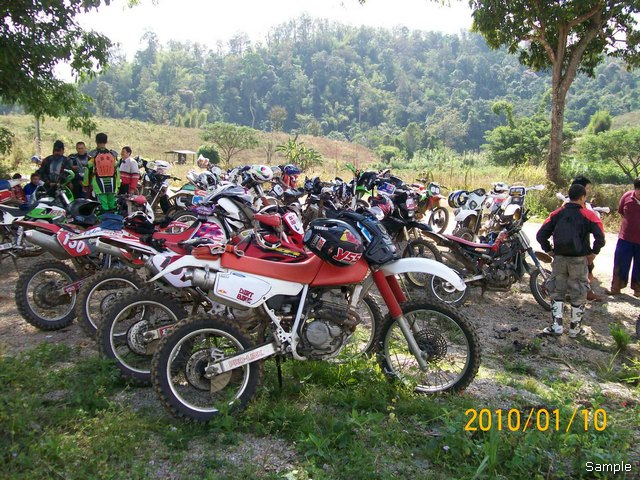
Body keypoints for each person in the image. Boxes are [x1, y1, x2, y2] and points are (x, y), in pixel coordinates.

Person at [536, 184, 606, 338]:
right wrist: (593, 253)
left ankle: (556, 326)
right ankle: (575, 329)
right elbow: (600, 237)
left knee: (557, 290)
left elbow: (540, 235)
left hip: (559, 258)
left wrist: (549, 250)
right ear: (583, 197)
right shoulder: (589, 214)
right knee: (579, 291)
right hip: (579, 259)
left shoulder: (556, 214)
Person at [608, 177, 640, 297]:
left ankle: (638, 289)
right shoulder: (627, 197)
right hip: (625, 238)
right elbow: (621, 212)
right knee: (620, 263)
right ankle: (616, 287)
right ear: (635, 188)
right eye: (639, 189)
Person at [84, 133, 120, 212]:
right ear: (106, 141)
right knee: (112, 205)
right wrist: (118, 185)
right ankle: (113, 218)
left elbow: (88, 169)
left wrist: (85, 184)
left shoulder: (93, 155)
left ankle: (104, 218)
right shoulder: (112, 155)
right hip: (112, 183)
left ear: (96, 141)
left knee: (103, 206)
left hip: (98, 184)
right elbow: (117, 170)